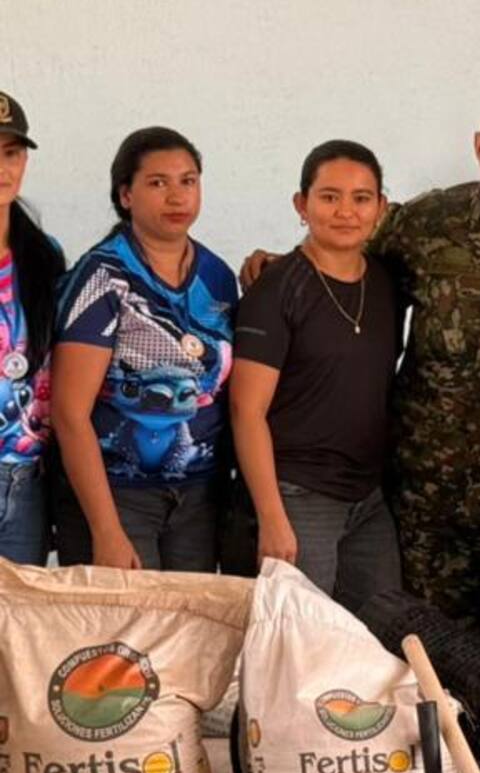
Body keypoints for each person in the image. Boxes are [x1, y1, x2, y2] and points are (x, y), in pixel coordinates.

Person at [243, 80, 480, 668]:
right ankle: (445, 765)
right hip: (423, 500)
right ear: (479, 146)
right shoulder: (425, 223)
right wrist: (273, 266)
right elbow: (342, 252)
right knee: (425, 662)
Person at [53, 127, 236, 570]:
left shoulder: (218, 276)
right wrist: (106, 529)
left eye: (187, 181)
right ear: (126, 195)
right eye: (158, 183)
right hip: (118, 497)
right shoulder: (103, 276)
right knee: (122, 638)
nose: (177, 196)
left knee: (187, 635)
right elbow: (68, 412)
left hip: (198, 500)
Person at [230, 140, 401, 611]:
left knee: (378, 635)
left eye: (362, 198)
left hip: (367, 498)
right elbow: (247, 410)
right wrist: (271, 515)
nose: (346, 211)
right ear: (301, 205)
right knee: (302, 648)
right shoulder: (277, 289)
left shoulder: (387, 281)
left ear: (381, 208)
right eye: (329, 197)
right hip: (298, 495)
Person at [0, 91, 62, 564]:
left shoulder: (44, 255)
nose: (3, 167)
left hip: (28, 480)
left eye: (11, 153)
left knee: (19, 632)